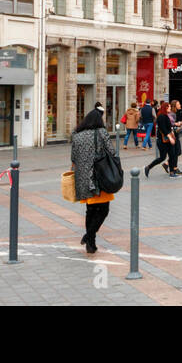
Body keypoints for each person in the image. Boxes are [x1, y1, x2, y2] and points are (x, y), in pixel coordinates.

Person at [70, 108, 115, 254]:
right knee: (103, 210)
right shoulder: (101, 133)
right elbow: (112, 152)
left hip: (82, 177)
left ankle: (91, 243)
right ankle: (90, 236)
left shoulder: (76, 135)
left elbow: (73, 159)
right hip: (98, 176)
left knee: (90, 210)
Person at [144, 102, 178, 178]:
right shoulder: (161, 116)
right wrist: (170, 137)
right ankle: (148, 167)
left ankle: (172, 172)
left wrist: (172, 134)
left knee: (172, 155)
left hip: (168, 139)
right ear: (165, 108)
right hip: (162, 141)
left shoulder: (166, 116)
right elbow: (163, 129)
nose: (170, 108)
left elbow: (169, 127)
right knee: (162, 157)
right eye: (168, 107)